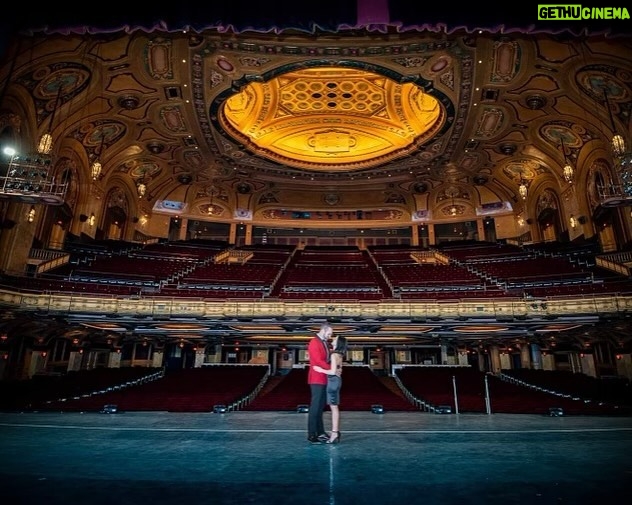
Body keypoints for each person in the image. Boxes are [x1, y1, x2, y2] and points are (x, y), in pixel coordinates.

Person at [313, 334, 347, 444]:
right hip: (336, 381)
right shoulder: (339, 355)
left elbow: (332, 371)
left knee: (334, 408)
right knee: (334, 407)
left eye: (335, 339)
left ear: (338, 343)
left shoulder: (334, 355)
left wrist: (319, 369)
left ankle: (334, 433)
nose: (333, 339)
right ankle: (335, 432)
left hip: (332, 381)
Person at [306, 322, 336, 444]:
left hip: (324, 377)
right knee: (315, 407)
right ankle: (312, 434)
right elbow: (318, 361)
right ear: (323, 330)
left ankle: (320, 432)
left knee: (320, 407)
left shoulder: (324, 343)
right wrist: (332, 369)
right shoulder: (314, 342)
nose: (330, 336)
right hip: (317, 378)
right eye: (329, 333)